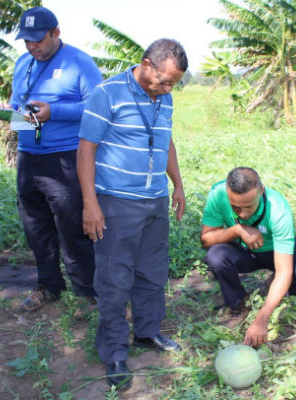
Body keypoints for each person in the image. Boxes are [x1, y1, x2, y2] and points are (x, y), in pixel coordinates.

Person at [77, 39, 188, 389]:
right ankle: (113, 352)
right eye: (165, 81)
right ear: (146, 64)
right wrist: (90, 203)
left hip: (154, 199)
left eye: (174, 83)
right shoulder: (106, 93)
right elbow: (86, 148)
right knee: (114, 278)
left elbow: (165, 139)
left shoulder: (164, 97)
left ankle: (147, 332)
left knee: (152, 271)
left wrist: (178, 185)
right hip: (116, 202)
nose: (169, 89)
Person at [7, 7, 102, 311]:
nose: (32, 46)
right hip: (28, 157)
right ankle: (48, 285)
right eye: (27, 41)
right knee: (35, 226)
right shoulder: (23, 64)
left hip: (65, 158)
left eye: (38, 40)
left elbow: (98, 108)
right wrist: (9, 114)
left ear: (55, 33)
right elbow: (17, 107)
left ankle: (87, 291)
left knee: (72, 227)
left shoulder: (78, 62)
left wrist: (54, 112)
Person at [201, 167, 296, 347]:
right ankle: (238, 302)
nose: (243, 214)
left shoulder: (277, 209)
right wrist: (238, 230)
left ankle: (271, 288)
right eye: (235, 207)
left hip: (275, 251)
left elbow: (284, 271)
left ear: (261, 191)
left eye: (249, 206)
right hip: (243, 250)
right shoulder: (218, 194)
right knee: (216, 256)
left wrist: (262, 319)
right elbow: (206, 239)